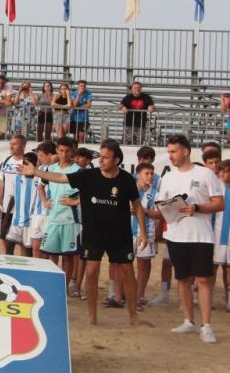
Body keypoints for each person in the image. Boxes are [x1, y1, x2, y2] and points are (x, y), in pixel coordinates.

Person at [23, 139, 146, 326]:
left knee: (128, 272)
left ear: (117, 160)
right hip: (94, 233)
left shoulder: (127, 179)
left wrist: (143, 232)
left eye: (106, 158)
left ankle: (133, 316)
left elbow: (137, 206)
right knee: (91, 272)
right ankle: (92, 316)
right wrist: (37, 171)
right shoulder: (89, 175)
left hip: (120, 234)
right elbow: (61, 178)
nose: (101, 161)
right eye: (101, 157)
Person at [146, 135, 224, 343]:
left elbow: (219, 203)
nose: (170, 155)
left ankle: (206, 325)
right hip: (176, 235)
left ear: (186, 151)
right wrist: (166, 208)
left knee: (204, 279)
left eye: (173, 151)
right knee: (181, 278)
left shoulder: (206, 174)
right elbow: (160, 206)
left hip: (201, 235)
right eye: (169, 151)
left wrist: (196, 208)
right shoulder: (168, 177)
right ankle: (188, 320)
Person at [39, 137, 80, 289]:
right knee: (48, 253)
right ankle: (49, 283)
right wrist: (45, 201)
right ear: (56, 150)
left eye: (67, 151)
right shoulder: (51, 169)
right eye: (61, 150)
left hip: (71, 219)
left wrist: (76, 202)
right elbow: (41, 186)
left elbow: (88, 192)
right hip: (54, 217)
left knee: (68, 256)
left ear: (72, 151)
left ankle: (64, 286)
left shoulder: (78, 171)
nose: (64, 154)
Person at [0, 135, 27, 255]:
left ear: (23, 145)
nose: (11, 146)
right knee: (5, 239)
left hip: (23, 208)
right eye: (10, 143)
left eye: (15, 144)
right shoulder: (7, 160)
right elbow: (1, 182)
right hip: (7, 208)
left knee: (23, 242)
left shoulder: (28, 161)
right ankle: (8, 264)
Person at [133, 162, 159, 305]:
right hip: (128, 232)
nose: (150, 176)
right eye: (146, 173)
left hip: (146, 233)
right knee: (122, 264)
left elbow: (160, 214)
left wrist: (146, 211)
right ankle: (121, 294)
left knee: (143, 265)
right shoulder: (130, 190)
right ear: (138, 175)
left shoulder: (155, 194)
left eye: (151, 174)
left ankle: (138, 296)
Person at [5, 152, 38, 257]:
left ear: (35, 164)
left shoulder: (38, 179)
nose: (25, 165)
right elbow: (13, 198)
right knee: (9, 246)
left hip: (31, 221)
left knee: (28, 252)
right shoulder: (18, 177)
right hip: (17, 220)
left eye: (28, 163)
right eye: (24, 163)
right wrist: (6, 217)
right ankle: (9, 268)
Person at [28, 141, 57, 258]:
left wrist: (46, 201)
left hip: (50, 214)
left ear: (50, 155)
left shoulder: (56, 168)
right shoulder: (41, 167)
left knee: (49, 250)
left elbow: (56, 159)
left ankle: (51, 273)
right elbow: (39, 188)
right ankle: (37, 273)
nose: (39, 158)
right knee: (36, 248)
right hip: (38, 212)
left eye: (41, 155)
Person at [213, 159, 230, 312]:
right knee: (213, 266)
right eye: (221, 171)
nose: (223, 175)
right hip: (216, 233)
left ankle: (228, 299)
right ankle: (208, 298)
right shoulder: (216, 187)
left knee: (229, 268)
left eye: (226, 171)